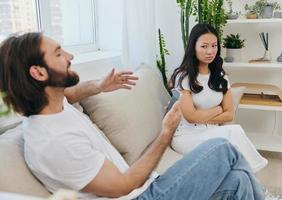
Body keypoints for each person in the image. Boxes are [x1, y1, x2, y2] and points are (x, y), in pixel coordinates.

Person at [0, 32, 265, 200]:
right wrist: (166, 132)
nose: (70, 56)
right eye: (59, 53)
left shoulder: (50, 104)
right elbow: (123, 185)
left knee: (239, 180)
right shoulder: (52, 141)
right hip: (141, 196)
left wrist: (99, 86)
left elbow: (70, 95)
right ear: (39, 73)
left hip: (146, 187)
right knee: (222, 147)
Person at [169, 23, 268, 173]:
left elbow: (229, 114)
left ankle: (250, 182)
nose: (210, 51)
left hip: (211, 131)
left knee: (233, 142)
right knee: (234, 132)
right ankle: (256, 180)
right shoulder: (183, 76)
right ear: (193, 47)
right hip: (186, 136)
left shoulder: (220, 76)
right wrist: (217, 109)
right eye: (204, 46)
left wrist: (202, 117)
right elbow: (191, 117)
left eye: (214, 45)